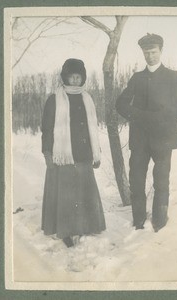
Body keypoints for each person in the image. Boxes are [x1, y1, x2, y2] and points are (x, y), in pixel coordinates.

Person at [116, 33, 177, 232]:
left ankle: (160, 222)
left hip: (164, 138)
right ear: (142, 53)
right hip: (139, 139)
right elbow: (120, 104)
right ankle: (138, 221)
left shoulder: (172, 76)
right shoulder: (137, 78)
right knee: (137, 181)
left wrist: (163, 115)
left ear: (161, 51)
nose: (150, 56)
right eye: (146, 53)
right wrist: (137, 115)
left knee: (162, 180)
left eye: (153, 52)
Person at [41, 58, 106, 247]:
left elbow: (92, 127)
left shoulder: (87, 98)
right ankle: (67, 231)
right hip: (63, 155)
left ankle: (86, 226)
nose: (76, 80)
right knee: (66, 194)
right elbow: (47, 128)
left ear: (82, 78)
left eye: (79, 77)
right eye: (72, 76)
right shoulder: (55, 99)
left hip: (84, 153)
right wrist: (47, 153)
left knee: (84, 192)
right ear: (65, 78)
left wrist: (97, 152)